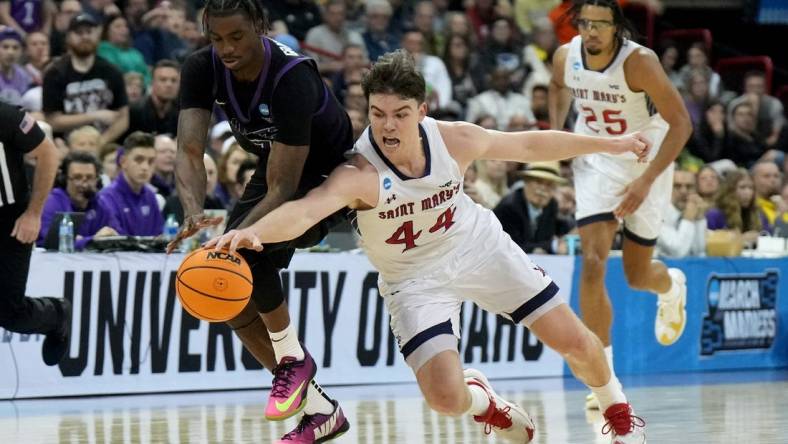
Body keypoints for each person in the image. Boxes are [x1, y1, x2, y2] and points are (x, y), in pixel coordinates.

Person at [208, 50, 650, 444]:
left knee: (575, 341)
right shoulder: (359, 171)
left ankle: (618, 412)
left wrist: (614, 143)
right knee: (445, 399)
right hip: (413, 280)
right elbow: (308, 210)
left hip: (477, 247)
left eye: (400, 113)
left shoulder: (452, 139)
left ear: (422, 110)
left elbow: (530, 144)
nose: (387, 125)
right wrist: (255, 232)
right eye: (377, 113)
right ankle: (486, 404)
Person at [169, 0, 353, 441]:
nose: (226, 49)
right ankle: (320, 409)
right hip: (276, 166)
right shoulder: (202, 67)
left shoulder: (292, 78)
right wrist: (194, 212)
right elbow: (189, 150)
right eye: (216, 39)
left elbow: (284, 189)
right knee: (226, 289)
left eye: (236, 37)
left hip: (333, 177)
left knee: (242, 254)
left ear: (260, 27)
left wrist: (234, 237)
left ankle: (293, 361)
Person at [548, 0, 692, 410]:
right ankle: (603, 379)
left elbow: (682, 123)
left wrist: (646, 181)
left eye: (600, 25)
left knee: (636, 275)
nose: (591, 32)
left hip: (648, 157)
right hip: (597, 157)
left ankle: (671, 287)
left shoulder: (639, 62)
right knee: (593, 261)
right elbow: (558, 87)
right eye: (585, 23)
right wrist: (558, 134)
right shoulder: (565, 56)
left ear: (617, 28)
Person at [0, 101, 70, 366]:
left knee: (10, 312)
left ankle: (56, 314)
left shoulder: (5, 115)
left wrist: (33, 214)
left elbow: (48, 154)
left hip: (10, 217)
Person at [42, 13, 128, 144]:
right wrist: (94, 116)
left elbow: (123, 118)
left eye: (89, 32)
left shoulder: (112, 71)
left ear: (97, 35)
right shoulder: (54, 74)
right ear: (69, 37)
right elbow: (53, 121)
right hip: (66, 145)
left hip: (104, 144)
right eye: (79, 33)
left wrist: (99, 143)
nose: (85, 37)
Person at [37, 150, 119, 249]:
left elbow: (116, 235)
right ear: (64, 179)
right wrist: (92, 241)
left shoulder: (101, 203)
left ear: (98, 180)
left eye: (89, 178)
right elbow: (51, 242)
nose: (83, 184)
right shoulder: (52, 202)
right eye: (77, 177)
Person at [494, 161, 573, 254]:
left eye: (549, 185)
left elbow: (546, 237)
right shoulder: (509, 207)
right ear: (526, 182)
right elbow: (513, 248)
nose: (543, 189)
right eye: (538, 182)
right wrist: (553, 246)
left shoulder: (551, 205)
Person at [97, 131, 163, 236]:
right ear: (123, 162)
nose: (145, 167)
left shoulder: (151, 197)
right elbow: (116, 241)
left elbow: (159, 237)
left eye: (150, 161)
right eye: (139, 160)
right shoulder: (106, 198)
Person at [656, 169, 707, 258]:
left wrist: (699, 219)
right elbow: (678, 252)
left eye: (689, 186)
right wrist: (688, 219)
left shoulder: (694, 209)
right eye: (677, 186)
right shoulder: (658, 213)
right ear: (667, 188)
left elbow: (699, 251)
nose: (683, 191)